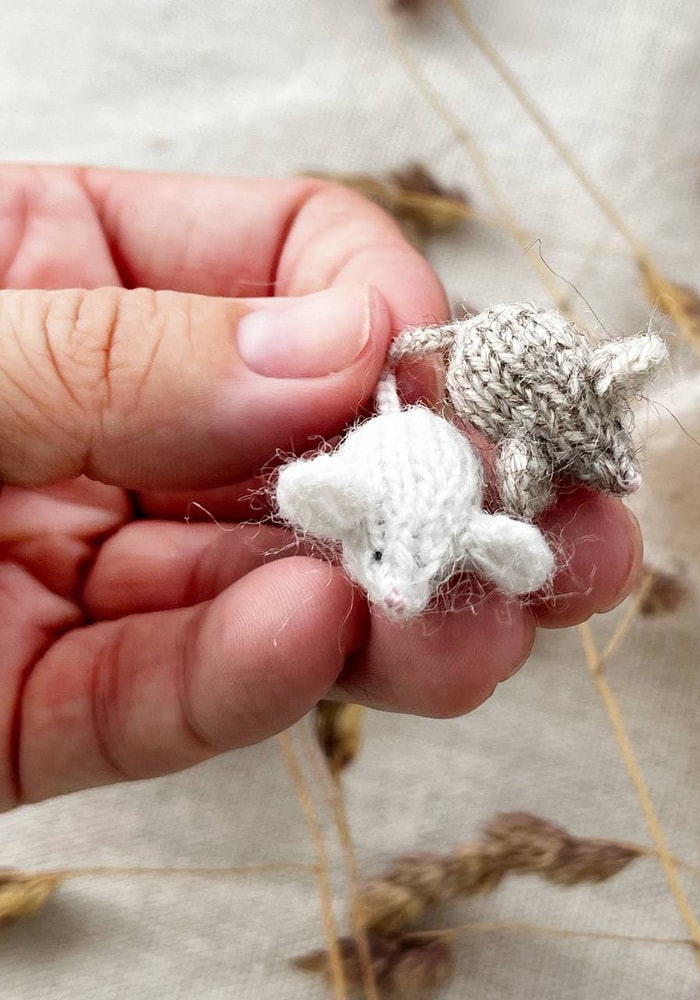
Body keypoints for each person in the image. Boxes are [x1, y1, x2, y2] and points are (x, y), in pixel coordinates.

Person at [0, 166, 642, 811]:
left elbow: (522, 504)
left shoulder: (500, 456)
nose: (398, 591)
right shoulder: (430, 459)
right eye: (392, 561)